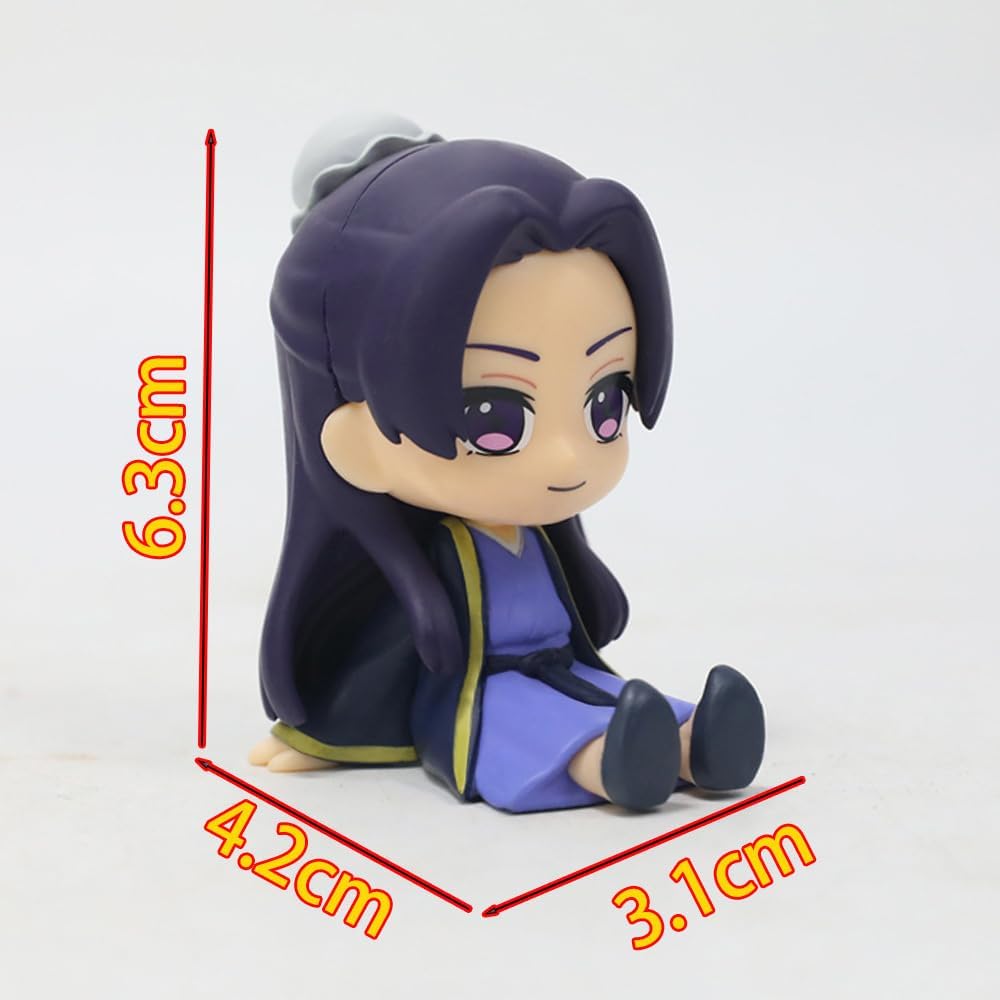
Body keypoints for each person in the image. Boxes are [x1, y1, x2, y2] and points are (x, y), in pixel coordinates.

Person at [250, 113, 765, 813]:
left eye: (604, 404)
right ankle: (611, 768)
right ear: (356, 440)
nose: (568, 456)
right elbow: (380, 669)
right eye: (495, 417)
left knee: (606, 693)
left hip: (557, 665)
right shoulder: (421, 564)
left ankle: (689, 743)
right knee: (541, 727)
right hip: (481, 694)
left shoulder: (541, 536)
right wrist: (326, 731)